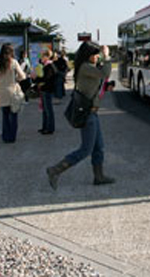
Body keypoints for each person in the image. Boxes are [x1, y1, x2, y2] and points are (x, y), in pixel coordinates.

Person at [46, 41, 114, 190]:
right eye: (95, 55)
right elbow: (105, 73)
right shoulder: (85, 67)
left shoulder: (88, 66)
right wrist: (107, 56)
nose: (97, 57)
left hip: (93, 112)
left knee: (99, 147)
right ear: (87, 55)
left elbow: (101, 75)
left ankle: (99, 176)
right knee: (86, 149)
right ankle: (55, 170)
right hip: (88, 114)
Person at [0, 43, 26, 143]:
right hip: (12, 92)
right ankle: (12, 137)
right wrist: (15, 79)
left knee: (5, 115)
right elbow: (22, 76)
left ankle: (5, 137)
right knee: (13, 115)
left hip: (1, 92)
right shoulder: (14, 62)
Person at [33, 50, 57, 135]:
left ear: (47, 56)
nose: (41, 58)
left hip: (47, 90)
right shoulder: (47, 66)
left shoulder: (49, 66)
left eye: (42, 56)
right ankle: (45, 127)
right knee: (45, 110)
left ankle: (49, 128)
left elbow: (46, 79)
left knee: (48, 110)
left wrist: (35, 78)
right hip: (45, 89)